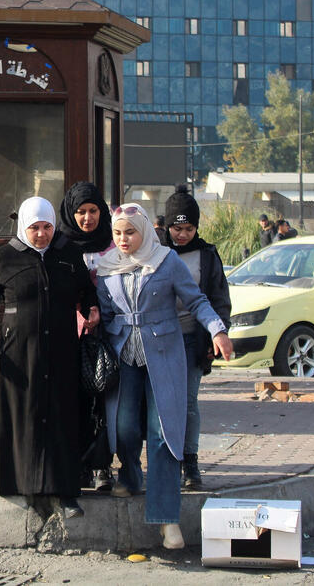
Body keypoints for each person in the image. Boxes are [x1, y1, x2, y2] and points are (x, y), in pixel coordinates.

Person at [96, 204, 232, 549]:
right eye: (117, 233)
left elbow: (197, 300)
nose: (124, 239)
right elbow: (108, 312)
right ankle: (129, 473)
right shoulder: (107, 267)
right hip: (124, 355)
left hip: (166, 356)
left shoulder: (166, 261)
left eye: (130, 232)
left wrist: (217, 331)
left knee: (164, 433)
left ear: (145, 231)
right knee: (124, 427)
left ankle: (167, 519)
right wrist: (100, 321)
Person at [0, 196, 99, 519]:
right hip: (19, 353)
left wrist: (90, 307)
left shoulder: (68, 254)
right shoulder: (7, 257)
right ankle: (24, 487)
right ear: (24, 227)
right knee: (22, 418)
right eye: (35, 228)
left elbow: (85, 289)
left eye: (47, 227)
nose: (41, 234)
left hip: (62, 351)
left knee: (61, 419)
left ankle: (64, 493)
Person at [161, 185, 231, 490]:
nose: (182, 235)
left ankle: (190, 462)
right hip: (159, 340)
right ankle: (164, 461)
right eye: (176, 228)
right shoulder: (154, 251)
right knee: (160, 404)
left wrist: (219, 332)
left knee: (189, 402)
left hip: (193, 339)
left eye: (188, 228)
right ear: (166, 226)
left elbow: (218, 298)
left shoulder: (207, 255)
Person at [57, 181, 115, 492]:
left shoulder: (114, 242)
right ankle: (79, 467)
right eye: (80, 212)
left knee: (105, 402)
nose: (87, 218)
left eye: (93, 211)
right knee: (76, 402)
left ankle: (104, 465)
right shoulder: (60, 246)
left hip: (107, 334)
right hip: (71, 335)